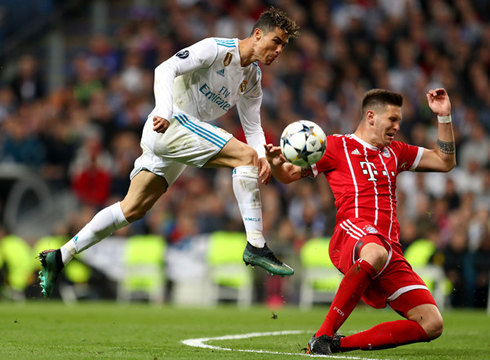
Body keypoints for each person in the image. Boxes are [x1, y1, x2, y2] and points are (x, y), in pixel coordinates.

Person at [38, 7, 300, 298]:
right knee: (245, 157)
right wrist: (163, 109)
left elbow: (253, 127)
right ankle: (256, 244)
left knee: (132, 208)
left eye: (284, 46)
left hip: (179, 137)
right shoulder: (216, 48)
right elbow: (164, 68)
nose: (279, 50)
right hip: (170, 123)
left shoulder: (252, 79)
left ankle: (61, 255)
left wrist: (263, 157)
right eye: (276, 41)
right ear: (258, 34)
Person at [265, 88, 455, 354]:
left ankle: (335, 345)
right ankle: (323, 334)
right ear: (371, 117)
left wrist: (444, 117)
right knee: (374, 250)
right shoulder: (334, 146)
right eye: (393, 119)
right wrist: (275, 164)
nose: (398, 126)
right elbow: (286, 175)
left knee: (432, 324)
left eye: (399, 120)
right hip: (353, 233)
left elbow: (445, 161)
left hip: (389, 248)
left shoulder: (396, 152)